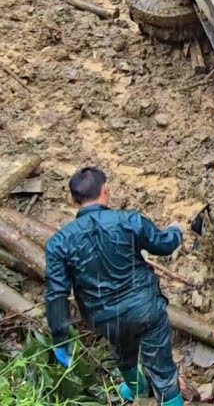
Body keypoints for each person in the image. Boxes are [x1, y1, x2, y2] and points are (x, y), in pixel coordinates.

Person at [45, 168, 185, 406]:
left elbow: (56, 294)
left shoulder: (59, 243)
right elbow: (163, 245)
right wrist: (176, 231)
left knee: (124, 353)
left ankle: (137, 388)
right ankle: (167, 398)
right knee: (162, 369)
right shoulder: (129, 221)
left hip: (105, 318)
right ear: (105, 191)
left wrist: (60, 339)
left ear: (73, 200)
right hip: (145, 310)